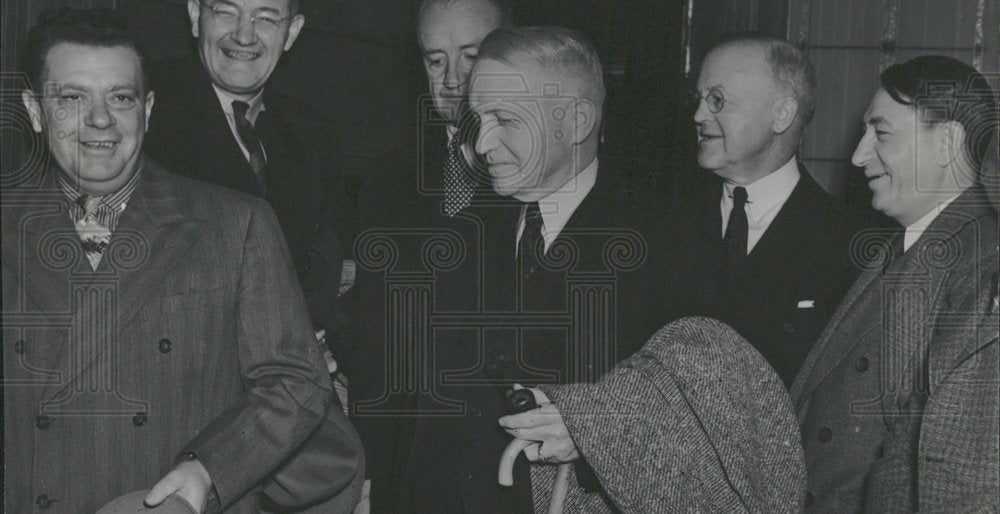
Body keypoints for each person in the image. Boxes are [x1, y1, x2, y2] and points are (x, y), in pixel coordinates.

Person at [3, 8, 362, 512]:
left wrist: (209, 470)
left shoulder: (237, 224)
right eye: (71, 98)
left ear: (147, 109)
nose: (101, 119)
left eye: (121, 97)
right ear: (36, 111)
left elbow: (298, 382)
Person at [789, 55, 999, 512]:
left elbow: (960, 481)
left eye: (881, 133)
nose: (858, 155)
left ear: (946, 143)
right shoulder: (908, 247)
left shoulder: (984, 270)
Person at [343, 0, 511, 510]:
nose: (453, 79)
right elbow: (372, 333)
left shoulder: (536, 177)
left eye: (471, 55)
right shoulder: (389, 175)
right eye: (435, 60)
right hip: (398, 462)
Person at [144, 0, 350, 335]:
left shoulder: (315, 136)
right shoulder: (142, 110)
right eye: (226, 11)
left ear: (292, 33)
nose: (244, 35)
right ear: (196, 16)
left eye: (266, 18)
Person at [665, 35, 861, 385]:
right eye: (699, 99)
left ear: (781, 114)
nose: (698, 115)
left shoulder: (850, 245)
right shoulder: (660, 221)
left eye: (717, 100)